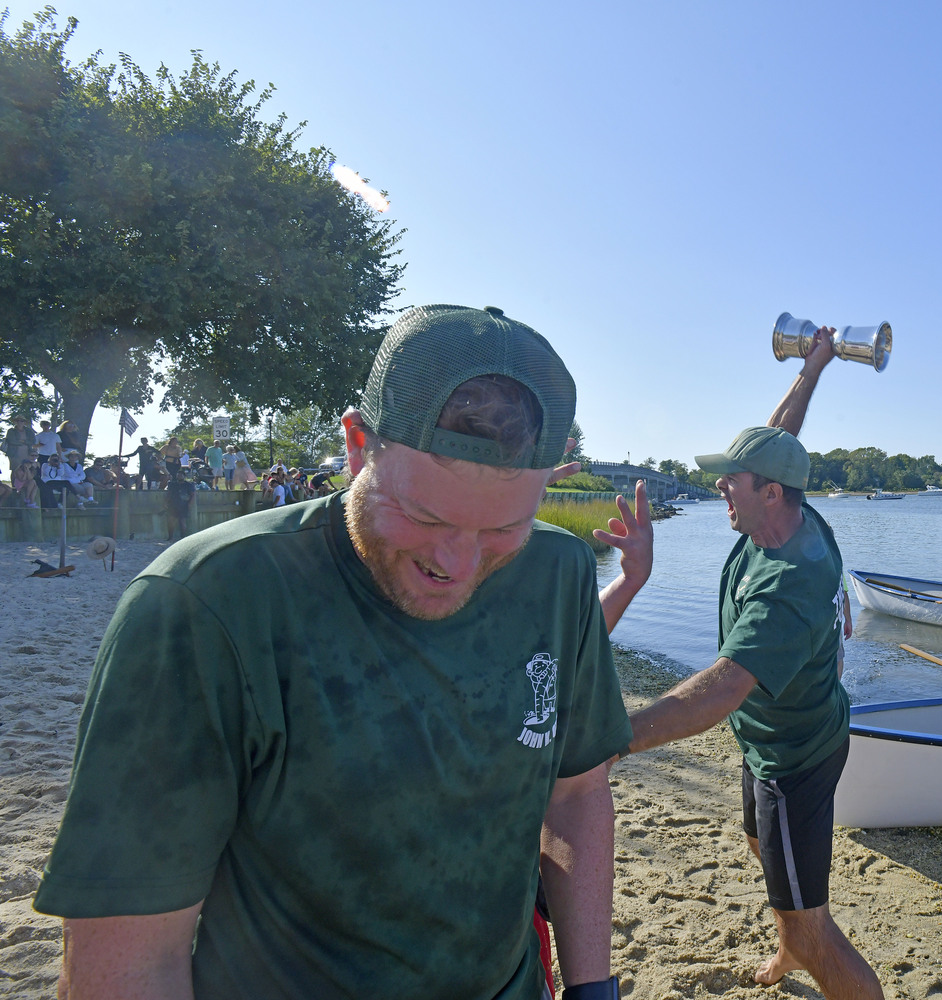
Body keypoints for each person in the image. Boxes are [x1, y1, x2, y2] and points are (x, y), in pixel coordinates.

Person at [35, 304, 640, 1000]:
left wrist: (593, 987)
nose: (458, 562)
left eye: (504, 527)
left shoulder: (558, 574)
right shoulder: (206, 604)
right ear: (358, 445)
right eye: (424, 515)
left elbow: (577, 793)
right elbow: (130, 950)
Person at [623, 329, 880, 1000]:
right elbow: (778, 439)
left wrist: (616, 736)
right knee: (761, 848)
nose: (718, 487)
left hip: (794, 755)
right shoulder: (782, 510)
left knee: (813, 919)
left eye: (730, 479)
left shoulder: (790, 580)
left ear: (768, 492)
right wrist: (813, 368)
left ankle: (807, 945)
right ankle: (791, 944)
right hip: (769, 740)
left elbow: (722, 689)